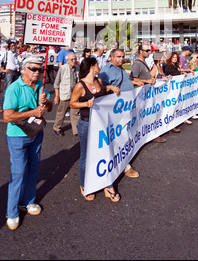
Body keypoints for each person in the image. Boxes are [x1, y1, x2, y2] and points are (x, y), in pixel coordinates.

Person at [3, 56, 53, 230]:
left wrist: (46, 103)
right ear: (24, 69)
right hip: (17, 136)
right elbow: (7, 116)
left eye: (40, 69)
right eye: (33, 69)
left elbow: (49, 108)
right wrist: (33, 111)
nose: (37, 72)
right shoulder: (14, 88)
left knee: (33, 169)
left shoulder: (40, 86)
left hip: (36, 133)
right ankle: (11, 212)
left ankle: (28, 202)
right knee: (18, 173)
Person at [70, 57, 121, 202]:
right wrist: (86, 103)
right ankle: (84, 184)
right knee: (86, 156)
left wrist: (111, 88)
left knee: (105, 153)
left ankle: (108, 185)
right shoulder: (80, 86)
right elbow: (73, 104)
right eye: (98, 65)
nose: (100, 67)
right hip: (86, 124)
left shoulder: (98, 81)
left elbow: (103, 90)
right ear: (92, 67)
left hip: (102, 124)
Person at [99, 48, 144, 178]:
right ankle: (124, 166)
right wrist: (110, 87)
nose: (121, 59)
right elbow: (100, 88)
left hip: (127, 106)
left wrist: (136, 82)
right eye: (118, 57)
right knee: (119, 136)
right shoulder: (106, 71)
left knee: (126, 132)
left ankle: (124, 159)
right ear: (111, 57)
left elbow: (126, 81)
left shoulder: (120, 68)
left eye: (123, 56)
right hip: (116, 108)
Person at [164, 52, 196, 125]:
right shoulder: (168, 66)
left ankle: (182, 117)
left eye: (176, 57)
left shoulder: (175, 65)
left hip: (178, 88)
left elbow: (178, 71)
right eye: (173, 57)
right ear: (170, 58)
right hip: (172, 89)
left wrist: (183, 73)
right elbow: (170, 75)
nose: (175, 59)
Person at [53, 52, 79, 137]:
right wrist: (57, 96)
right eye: (72, 59)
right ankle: (56, 128)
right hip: (65, 94)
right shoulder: (63, 68)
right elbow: (56, 83)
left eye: (75, 59)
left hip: (75, 95)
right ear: (67, 61)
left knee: (75, 113)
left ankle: (76, 131)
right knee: (61, 113)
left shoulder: (77, 68)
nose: (74, 61)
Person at [0, 41, 21, 112]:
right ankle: (1, 105)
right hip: (9, 72)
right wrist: (3, 70)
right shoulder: (6, 53)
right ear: (9, 46)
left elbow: (20, 62)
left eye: (15, 46)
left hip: (16, 72)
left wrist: (19, 55)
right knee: (7, 89)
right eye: (12, 46)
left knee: (15, 89)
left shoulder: (16, 54)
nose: (14, 47)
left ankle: (12, 105)